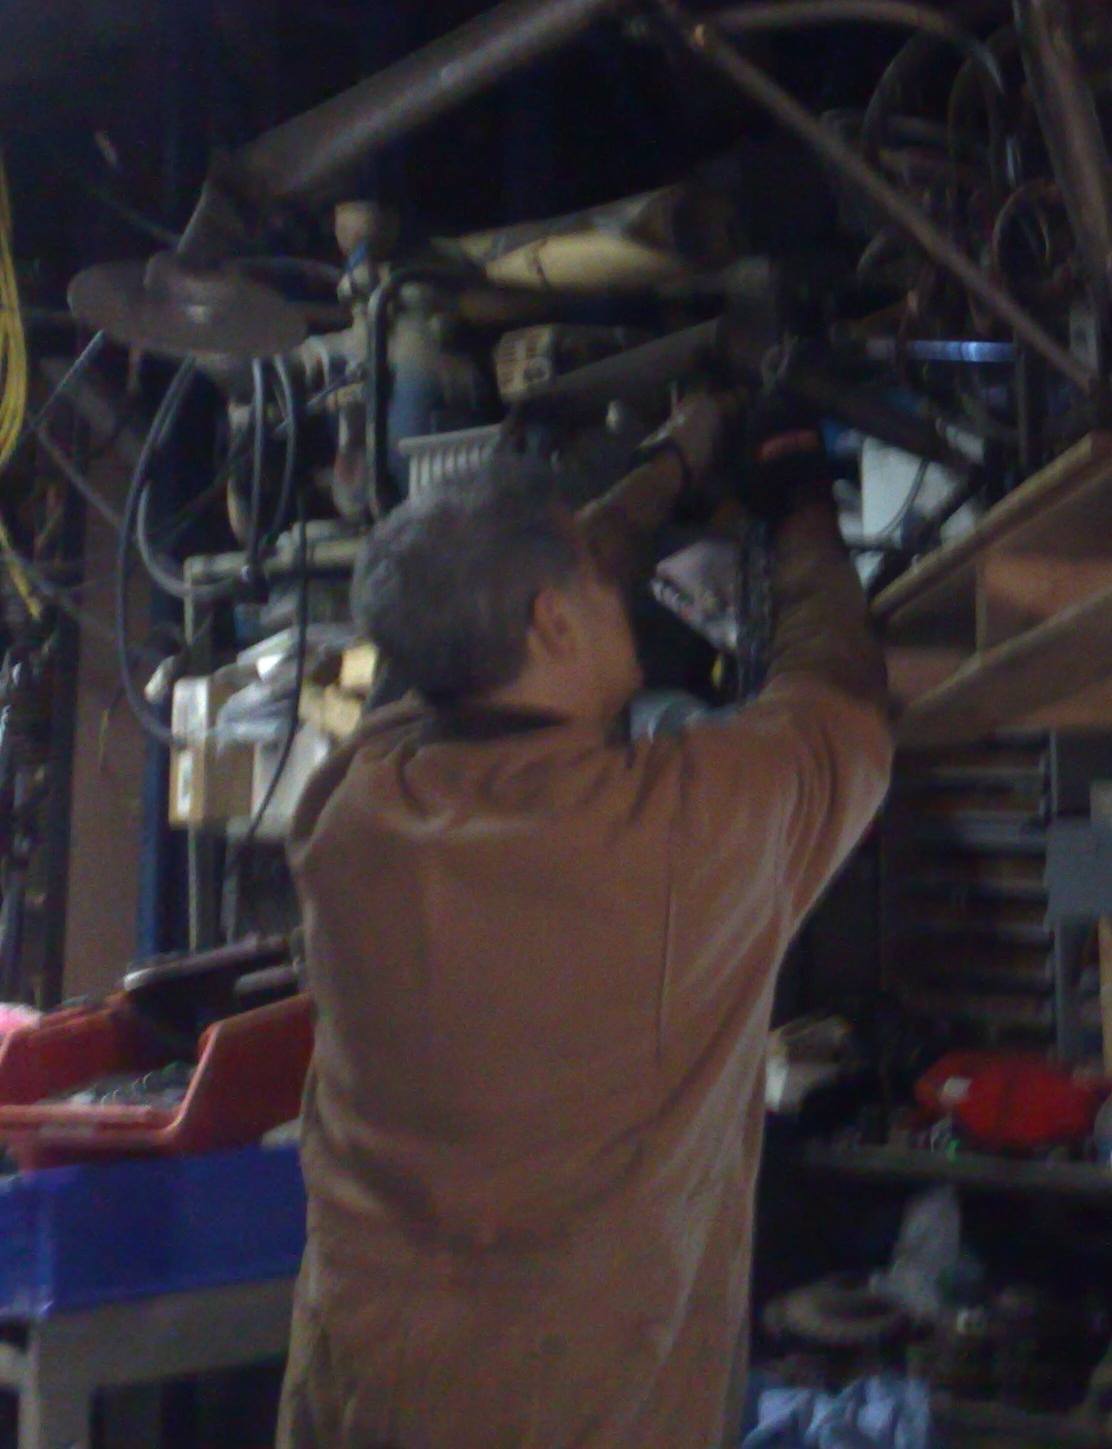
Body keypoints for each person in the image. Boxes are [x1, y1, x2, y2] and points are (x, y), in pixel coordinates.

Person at [279, 399, 893, 1449]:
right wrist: (798, 497)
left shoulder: (351, 805)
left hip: (356, 1397)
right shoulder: (673, 835)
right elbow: (838, 701)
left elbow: (500, 600)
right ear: (555, 624)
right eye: (593, 587)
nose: (616, 592)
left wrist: (671, 466)